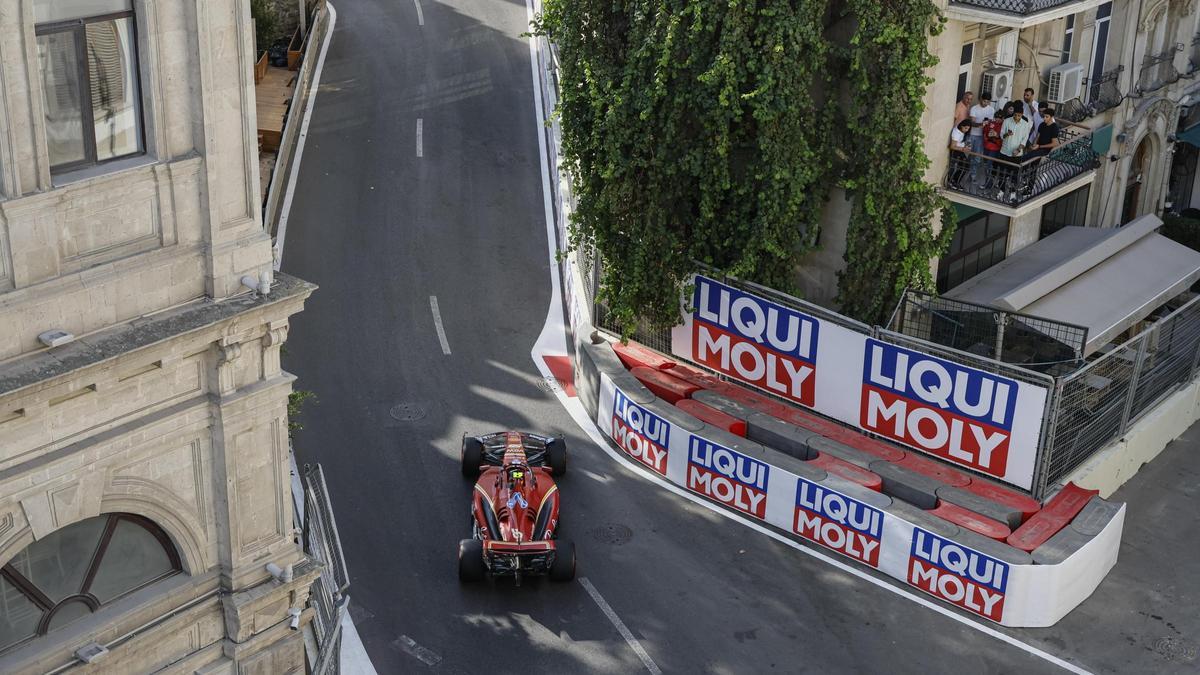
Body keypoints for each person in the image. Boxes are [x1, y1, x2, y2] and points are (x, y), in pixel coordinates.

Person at [1021, 107, 1060, 195]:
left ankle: (1027, 185)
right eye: (1044, 116)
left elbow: (1055, 143)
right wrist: (1034, 145)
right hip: (1038, 148)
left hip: (1045, 150)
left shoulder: (1054, 127)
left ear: (1051, 117)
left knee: (1031, 164)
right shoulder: (1042, 125)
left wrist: (1040, 146)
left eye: (1047, 117)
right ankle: (1025, 182)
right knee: (1026, 159)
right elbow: (1038, 136)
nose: (1044, 118)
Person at [999, 106, 1032, 202]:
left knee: (1014, 174)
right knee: (1002, 172)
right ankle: (1001, 191)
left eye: (1019, 115)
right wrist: (1007, 134)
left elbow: (1024, 139)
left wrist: (1018, 150)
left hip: (1017, 154)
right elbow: (1001, 135)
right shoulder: (1007, 121)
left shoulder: (1025, 124)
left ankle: (1013, 194)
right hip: (1004, 151)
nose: (1017, 117)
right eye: (1015, 115)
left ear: (1022, 115)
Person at [968, 92, 994, 183]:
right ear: (980, 99)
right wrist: (981, 124)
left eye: (987, 102)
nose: (985, 103)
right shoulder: (974, 108)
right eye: (984, 101)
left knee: (977, 157)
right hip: (972, 134)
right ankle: (963, 174)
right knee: (967, 155)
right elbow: (972, 123)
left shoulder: (991, 109)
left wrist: (987, 126)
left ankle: (973, 175)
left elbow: (990, 123)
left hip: (981, 137)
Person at [980, 104, 1006, 189]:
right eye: (997, 117)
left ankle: (988, 184)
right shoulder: (991, 123)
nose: (998, 119)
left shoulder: (1004, 125)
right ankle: (990, 183)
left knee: (989, 166)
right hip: (987, 146)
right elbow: (984, 132)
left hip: (995, 148)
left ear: (1003, 118)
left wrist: (996, 135)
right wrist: (985, 128)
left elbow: (1003, 138)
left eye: (1000, 117)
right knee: (985, 165)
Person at [948, 119, 972, 189]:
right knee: (963, 166)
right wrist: (963, 149)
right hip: (956, 151)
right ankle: (953, 181)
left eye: (968, 129)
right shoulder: (956, 133)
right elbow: (952, 146)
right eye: (966, 128)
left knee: (965, 166)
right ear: (961, 126)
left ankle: (955, 181)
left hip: (960, 150)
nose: (967, 130)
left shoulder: (961, 131)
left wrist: (965, 146)